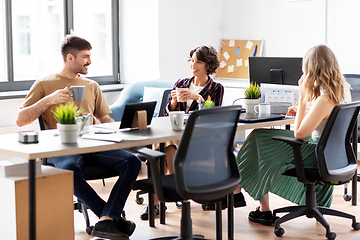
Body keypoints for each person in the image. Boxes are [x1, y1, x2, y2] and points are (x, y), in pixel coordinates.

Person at [16, 35, 141, 239]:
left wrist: (128, 131)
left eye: (90, 56)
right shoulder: (44, 84)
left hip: (95, 146)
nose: (89, 61)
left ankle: (107, 219)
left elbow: (104, 118)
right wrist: (49, 100)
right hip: (62, 149)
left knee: (132, 162)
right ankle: (110, 218)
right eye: (85, 56)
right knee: (68, 169)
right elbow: (21, 119)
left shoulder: (91, 86)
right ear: (70, 57)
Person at [235, 44, 349, 226]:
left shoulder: (324, 99)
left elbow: (299, 134)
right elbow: (320, 119)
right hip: (333, 155)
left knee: (259, 138)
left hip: (317, 155)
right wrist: (302, 109)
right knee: (262, 141)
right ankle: (243, 194)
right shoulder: (341, 92)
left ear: (312, 69)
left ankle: (244, 196)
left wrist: (303, 100)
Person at [139, 45, 245, 220]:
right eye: (192, 61)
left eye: (199, 62)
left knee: (163, 146)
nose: (193, 65)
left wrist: (199, 98)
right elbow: (168, 114)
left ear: (208, 65)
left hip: (200, 137)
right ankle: (174, 190)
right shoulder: (181, 83)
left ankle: (160, 200)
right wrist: (173, 101)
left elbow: (214, 116)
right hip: (177, 133)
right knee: (164, 144)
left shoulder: (216, 88)